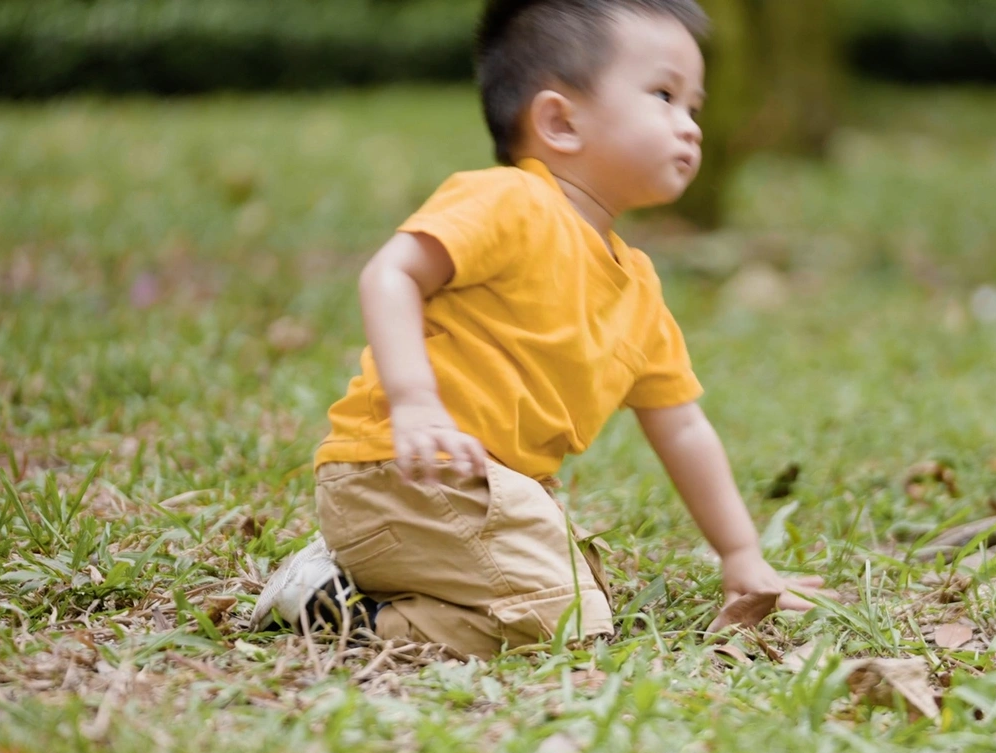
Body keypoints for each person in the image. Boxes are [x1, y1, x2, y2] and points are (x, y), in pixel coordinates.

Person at [250, 0, 824, 658]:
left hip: (483, 495)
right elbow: (391, 274)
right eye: (664, 96)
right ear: (559, 119)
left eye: (694, 105)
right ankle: (328, 605)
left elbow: (683, 424)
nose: (689, 126)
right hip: (405, 474)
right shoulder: (509, 202)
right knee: (565, 619)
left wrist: (742, 554)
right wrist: (414, 402)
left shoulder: (635, 286)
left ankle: (370, 586)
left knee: (582, 598)